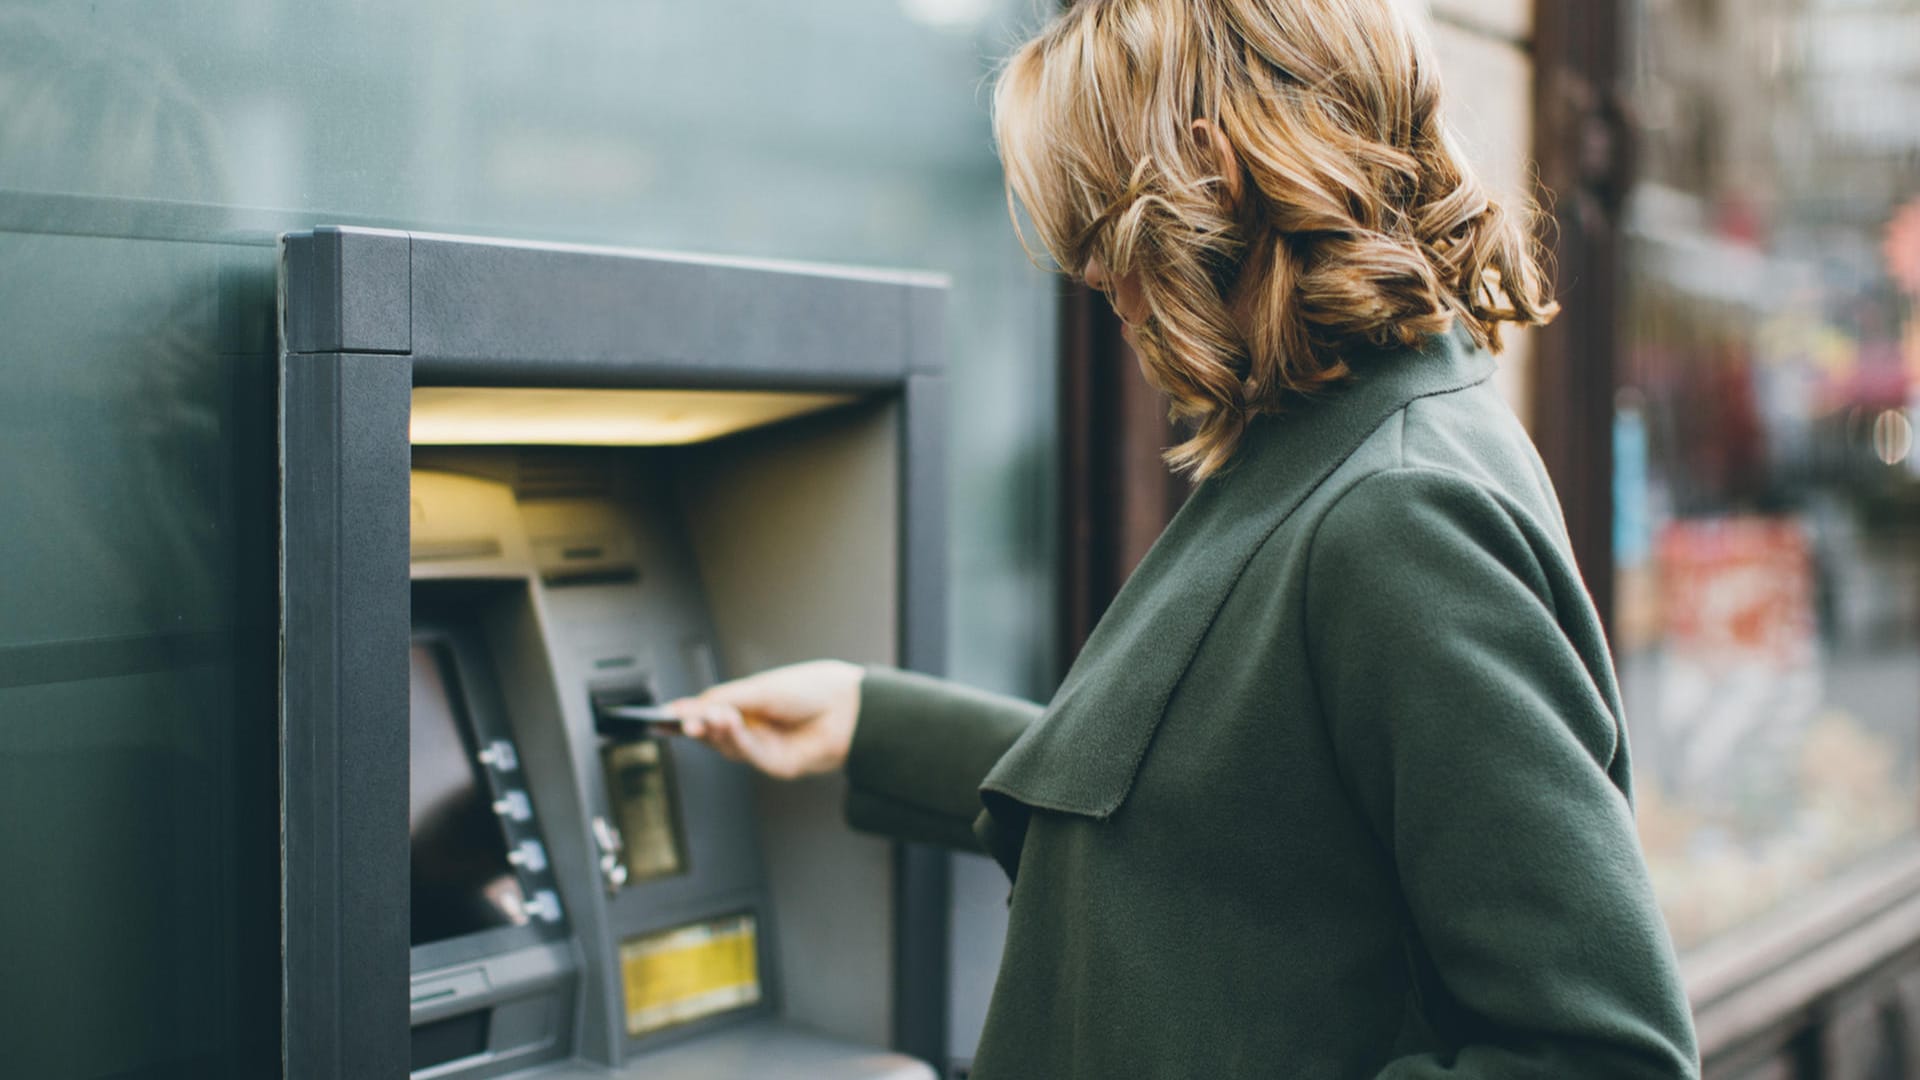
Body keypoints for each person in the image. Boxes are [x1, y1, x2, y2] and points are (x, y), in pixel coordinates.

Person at [669, 0, 1701, 1075]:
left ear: (1218, 174)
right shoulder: (1332, 445)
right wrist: (877, 724)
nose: (1095, 283)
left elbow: (1603, 1054)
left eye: (1098, 229)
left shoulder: (1395, 511)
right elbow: (1230, 814)